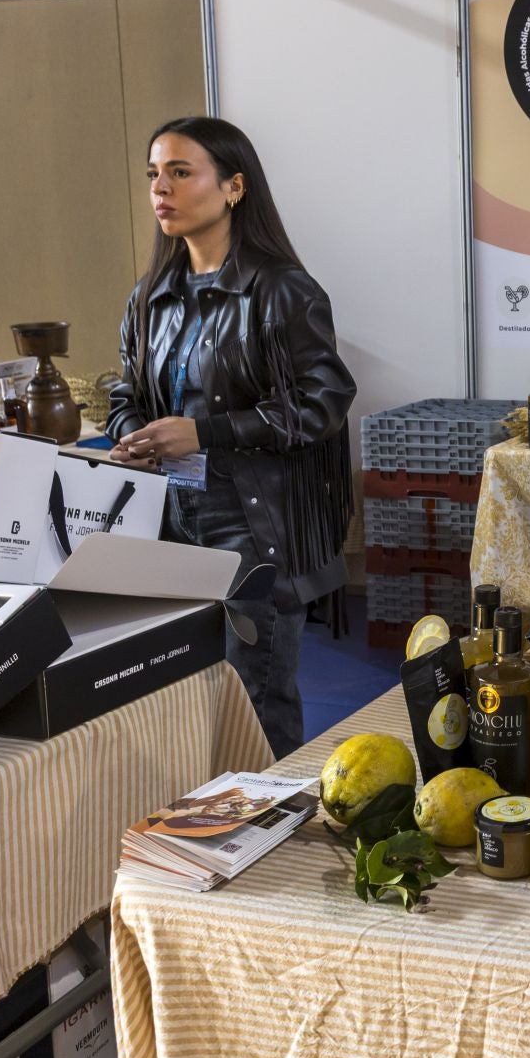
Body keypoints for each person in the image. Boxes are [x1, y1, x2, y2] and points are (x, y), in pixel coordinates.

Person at [107, 117, 354, 756]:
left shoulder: (280, 289)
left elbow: (321, 404)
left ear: (234, 187)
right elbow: (123, 394)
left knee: (255, 695)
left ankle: (270, 833)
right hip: (169, 520)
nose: (161, 189)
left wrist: (204, 432)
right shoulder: (148, 298)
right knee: (180, 696)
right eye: (154, 175)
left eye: (181, 173)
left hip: (251, 524)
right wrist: (134, 432)